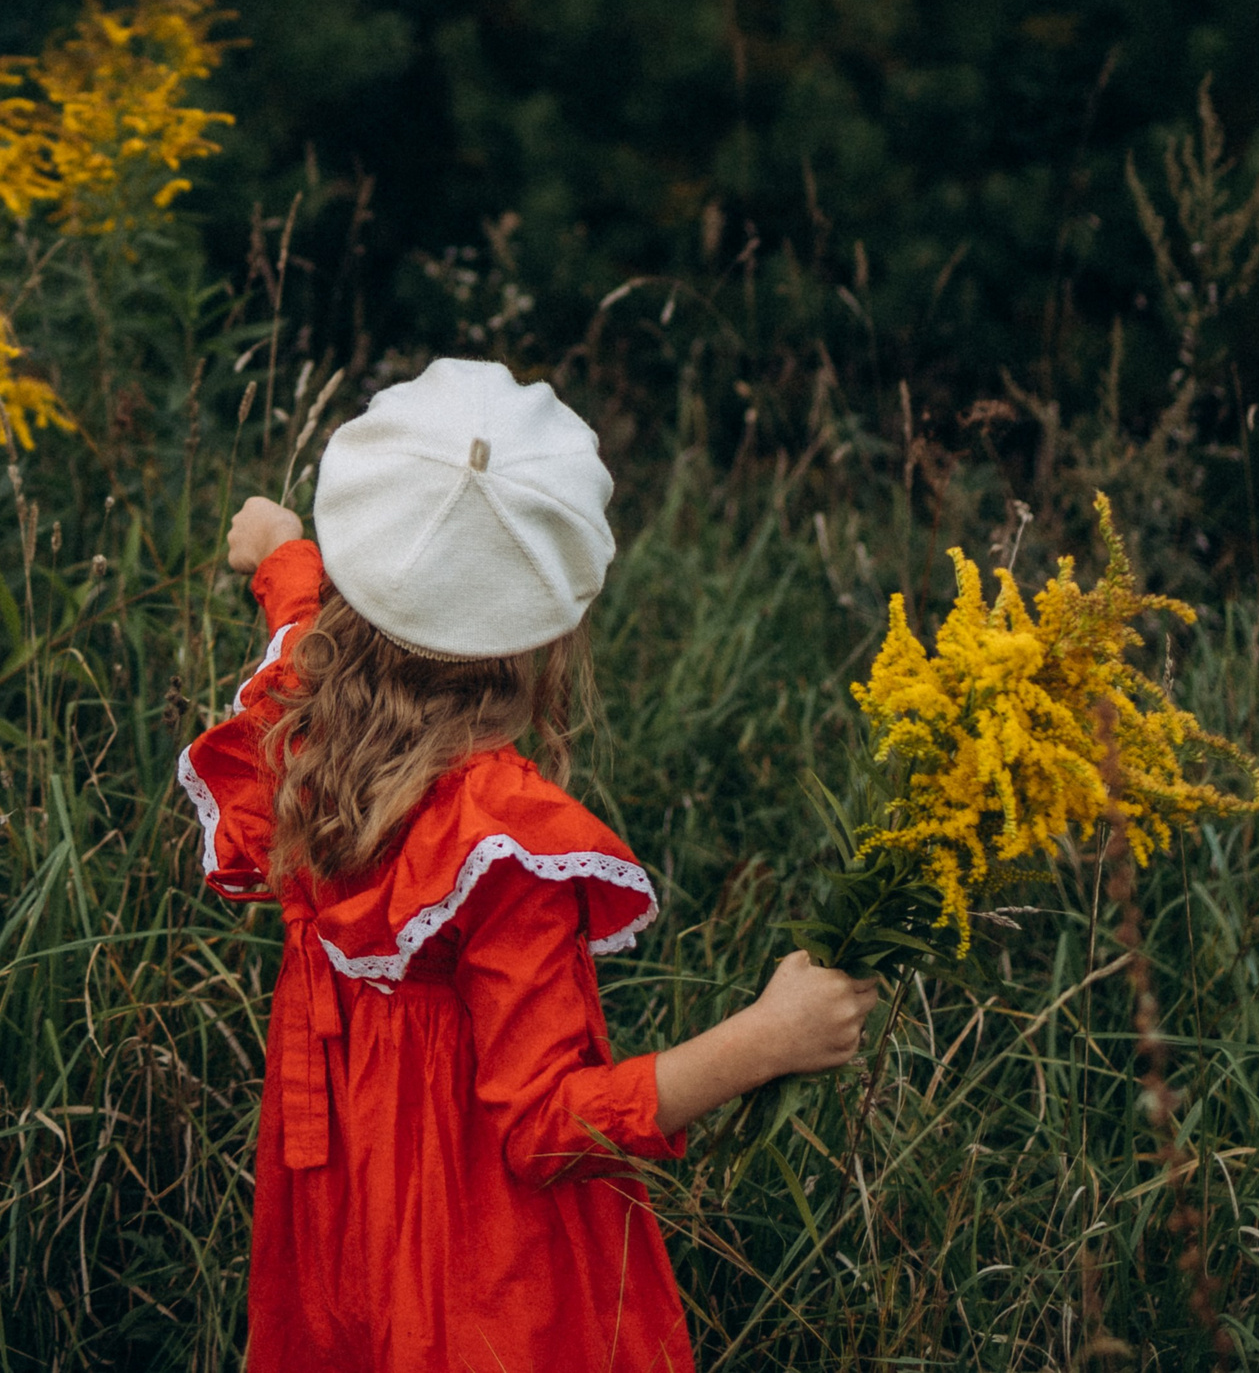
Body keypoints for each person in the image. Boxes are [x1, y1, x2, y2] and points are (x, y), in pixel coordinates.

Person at [180, 357, 877, 1373]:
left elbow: (301, 627)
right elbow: (547, 1129)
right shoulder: (505, 848)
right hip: (476, 1266)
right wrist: (764, 1039)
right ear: (553, 627)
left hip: (335, 1216)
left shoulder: (304, 729)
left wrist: (284, 551)